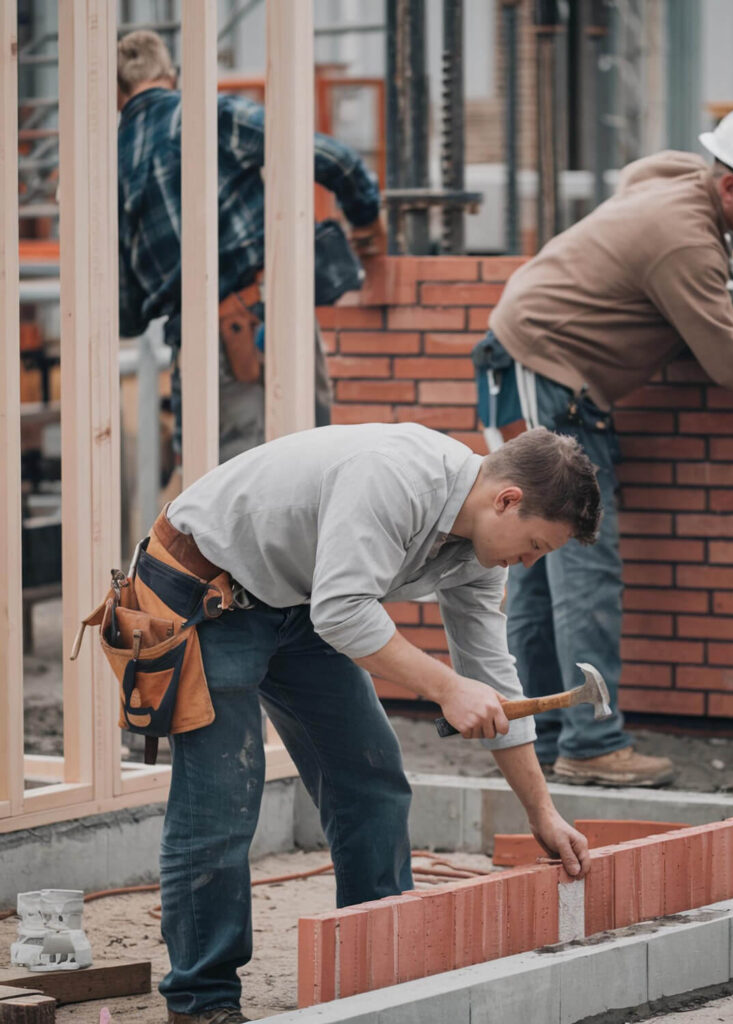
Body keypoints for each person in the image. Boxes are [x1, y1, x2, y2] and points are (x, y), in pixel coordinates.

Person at [478, 102, 733, 787]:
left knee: (547, 576)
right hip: (544, 378)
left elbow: (644, 183)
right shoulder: (686, 242)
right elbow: (730, 362)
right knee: (579, 567)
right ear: (729, 185)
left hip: (537, 374)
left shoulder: (678, 177)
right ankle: (588, 742)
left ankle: (544, 732)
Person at [131, 422, 599, 1023]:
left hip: (301, 601)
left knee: (372, 781)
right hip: (206, 587)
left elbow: (491, 676)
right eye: (536, 544)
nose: (530, 562)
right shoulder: (396, 478)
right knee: (221, 802)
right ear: (507, 500)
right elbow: (345, 614)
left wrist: (543, 812)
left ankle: (375, 970)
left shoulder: (482, 549)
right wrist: (446, 688)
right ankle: (202, 1002)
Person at [116, 30, 384, 464]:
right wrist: (368, 223)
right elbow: (335, 159)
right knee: (307, 477)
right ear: (171, 74)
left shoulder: (109, 162)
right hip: (267, 318)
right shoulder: (203, 116)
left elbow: (127, 314)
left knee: (219, 496)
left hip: (197, 351)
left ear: (118, 91)